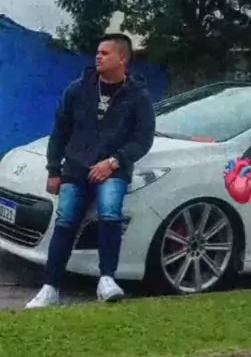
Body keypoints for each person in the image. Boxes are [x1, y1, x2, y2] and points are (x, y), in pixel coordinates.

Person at [26, 33, 156, 308]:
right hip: (75, 167)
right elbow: (60, 131)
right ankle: (50, 287)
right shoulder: (78, 89)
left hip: (113, 168)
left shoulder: (138, 96)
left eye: (105, 53)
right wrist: (53, 169)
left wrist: (113, 162)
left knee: (110, 212)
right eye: (98, 51)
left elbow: (143, 139)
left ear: (122, 59)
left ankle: (106, 279)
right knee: (66, 218)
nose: (98, 56)